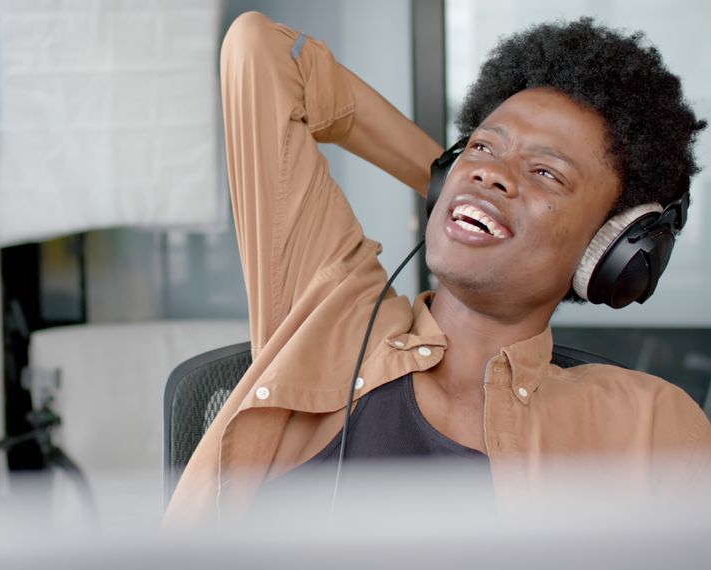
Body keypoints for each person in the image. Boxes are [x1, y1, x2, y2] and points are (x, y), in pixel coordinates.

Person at [164, 11, 711, 526]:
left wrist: (486, 189)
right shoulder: (332, 313)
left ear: (607, 248)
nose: (491, 172)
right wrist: (447, 180)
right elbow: (264, 53)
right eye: (479, 148)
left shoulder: (653, 427)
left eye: (546, 172)